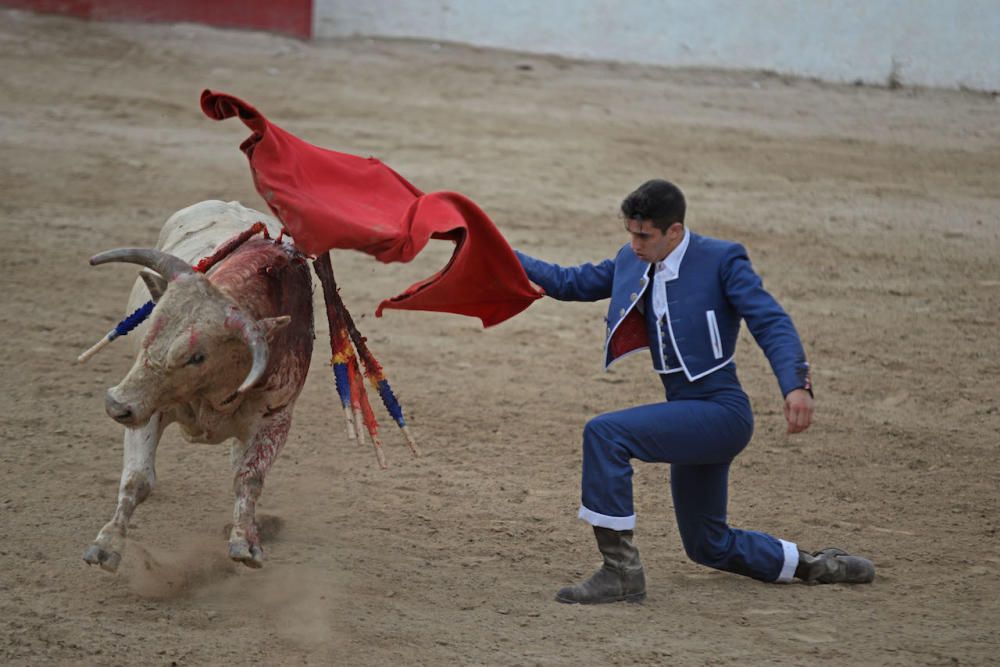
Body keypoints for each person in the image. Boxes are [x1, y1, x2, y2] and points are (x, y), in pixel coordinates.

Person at [514, 179, 874, 604]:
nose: (634, 244)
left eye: (644, 235)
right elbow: (568, 282)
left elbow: (770, 321)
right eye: (630, 233)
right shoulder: (632, 260)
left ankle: (620, 572)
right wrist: (494, 249)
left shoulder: (721, 259)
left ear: (675, 231)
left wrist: (796, 385)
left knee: (605, 433)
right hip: (688, 412)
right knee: (708, 545)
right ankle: (815, 565)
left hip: (722, 412)